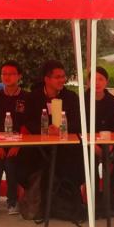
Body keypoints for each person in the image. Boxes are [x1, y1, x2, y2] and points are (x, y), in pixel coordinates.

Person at [20, 60, 83, 188]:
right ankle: (38, 193)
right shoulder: (33, 97)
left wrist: (62, 129)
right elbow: (28, 122)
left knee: (77, 160)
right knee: (25, 161)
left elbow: (78, 122)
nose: (62, 80)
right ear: (47, 79)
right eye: (57, 77)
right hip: (39, 145)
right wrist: (45, 129)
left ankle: (68, 194)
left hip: (65, 145)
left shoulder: (71, 97)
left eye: (63, 77)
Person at [0, 60, 27, 214]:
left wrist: (18, 145)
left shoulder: (26, 97)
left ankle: (12, 202)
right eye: (4, 74)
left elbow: (27, 123)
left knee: (11, 163)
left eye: (11, 74)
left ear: (19, 76)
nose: (7, 77)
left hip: (19, 144)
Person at [86, 66, 114, 194]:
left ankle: (108, 194)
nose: (97, 83)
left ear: (106, 82)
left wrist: (111, 145)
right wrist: (94, 146)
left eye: (101, 79)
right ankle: (95, 195)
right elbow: (80, 128)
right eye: (93, 79)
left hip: (109, 143)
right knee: (90, 162)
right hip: (88, 144)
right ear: (88, 82)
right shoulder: (82, 100)